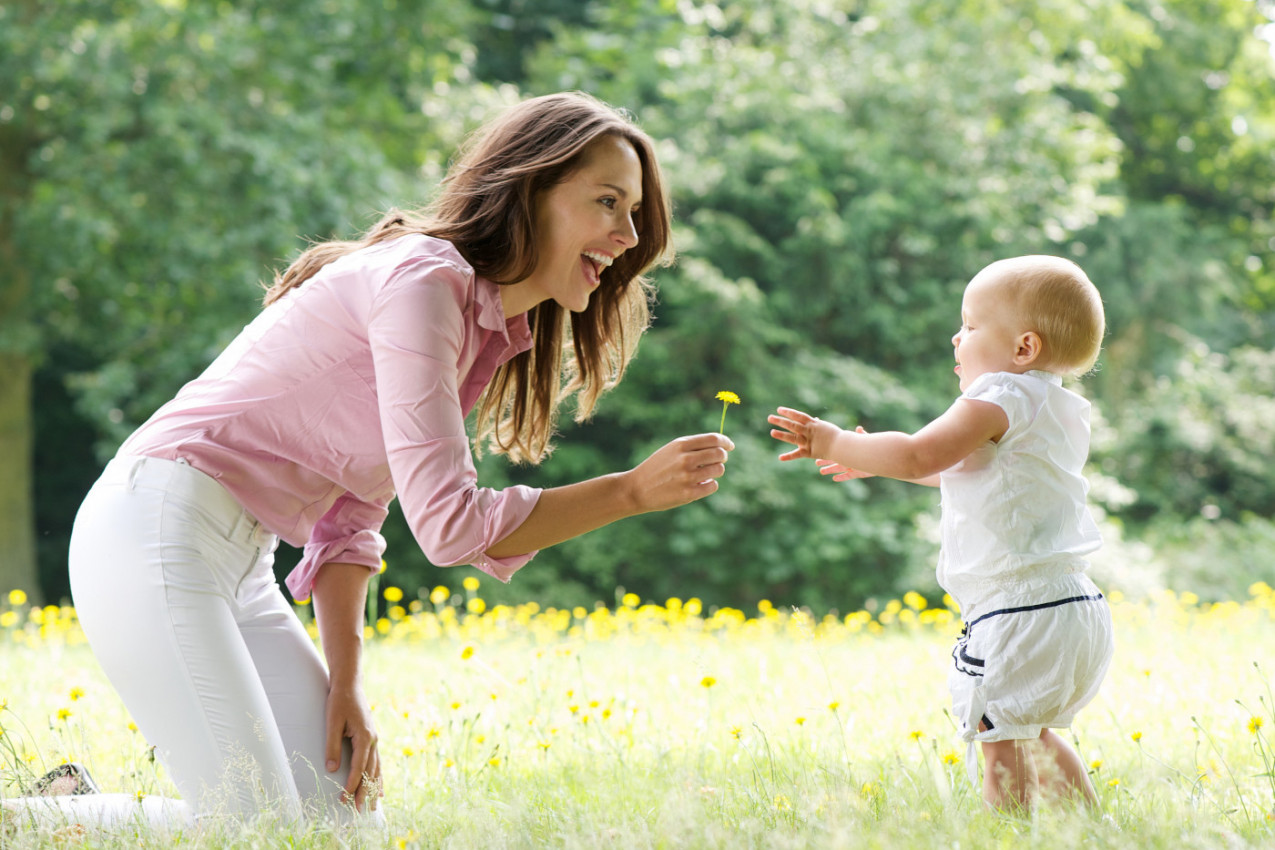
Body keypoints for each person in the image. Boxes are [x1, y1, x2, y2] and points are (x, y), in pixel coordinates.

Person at [3, 91, 733, 830]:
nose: (628, 234)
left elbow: (352, 516)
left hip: (238, 564)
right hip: (157, 527)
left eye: (634, 211)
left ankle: (68, 811)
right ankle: (30, 821)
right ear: (529, 191)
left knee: (345, 825)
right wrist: (630, 492)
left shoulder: (480, 329)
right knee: (247, 829)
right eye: (608, 202)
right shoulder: (423, 283)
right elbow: (449, 527)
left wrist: (344, 687)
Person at [768, 255, 1112, 812]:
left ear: (1023, 348)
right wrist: (873, 461)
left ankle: (1006, 837)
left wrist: (835, 442)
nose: (957, 337)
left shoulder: (1000, 393)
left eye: (972, 325)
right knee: (1031, 735)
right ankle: (1093, 830)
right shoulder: (1060, 406)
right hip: (1074, 608)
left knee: (1001, 742)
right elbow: (954, 467)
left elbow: (918, 453)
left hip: (1017, 611)